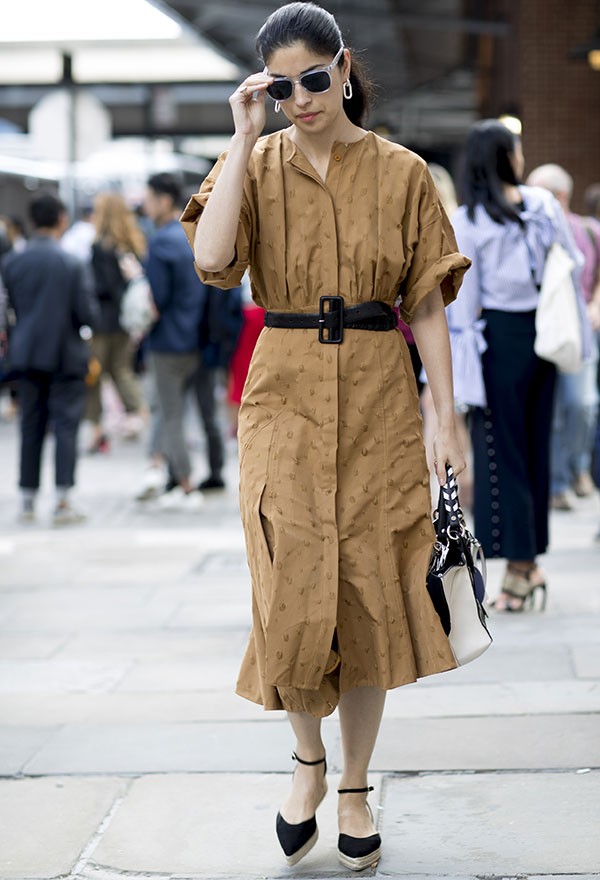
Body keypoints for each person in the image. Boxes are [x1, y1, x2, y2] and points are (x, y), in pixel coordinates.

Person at [180, 2, 469, 870]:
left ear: (342, 68)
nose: (301, 98)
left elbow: (426, 299)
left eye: (314, 78)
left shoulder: (403, 172)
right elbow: (214, 260)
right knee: (288, 579)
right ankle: (307, 762)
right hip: (285, 390)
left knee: (375, 585)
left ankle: (354, 784)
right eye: (282, 85)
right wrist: (240, 136)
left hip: (381, 389)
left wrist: (444, 417)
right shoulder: (257, 164)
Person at [448, 121, 587, 613]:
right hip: (542, 338)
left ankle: (520, 572)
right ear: (504, 156)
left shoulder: (470, 219)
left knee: (499, 455)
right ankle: (528, 566)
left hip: (499, 341)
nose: (523, 156)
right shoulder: (542, 204)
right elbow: (569, 262)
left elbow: (465, 304)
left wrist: (461, 367)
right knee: (533, 449)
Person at [0, 191, 98, 524]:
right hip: (65, 353)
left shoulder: (13, 262)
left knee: (30, 425)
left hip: (26, 353)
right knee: (66, 425)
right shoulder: (71, 263)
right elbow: (87, 314)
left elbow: (11, 308)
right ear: (60, 219)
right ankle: (62, 499)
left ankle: (27, 499)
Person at [525, 164, 599, 509]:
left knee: (582, 404)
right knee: (550, 410)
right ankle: (556, 484)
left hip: (581, 327)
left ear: (560, 196)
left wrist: (596, 306)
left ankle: (578, 467)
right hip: (547, 329)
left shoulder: (589, 230)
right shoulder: (529, 228)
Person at [144, 172, 207, 510]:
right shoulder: (189, 236)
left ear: (164, 200)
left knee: (170, 416)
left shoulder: (159, 242)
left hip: (167, 341)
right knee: (186, 413)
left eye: (149, 198)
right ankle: (175, 480)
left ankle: (185, 484)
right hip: (193, 337)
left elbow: (158, 298)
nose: (145, 204)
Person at [86, 192, 147, 452]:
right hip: (124, 320)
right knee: (121, 369)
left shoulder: (99, 247)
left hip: (102, 321)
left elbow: (102, 287)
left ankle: (96, 429)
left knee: (94, 374)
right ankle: (141, 411)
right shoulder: (132, 243)